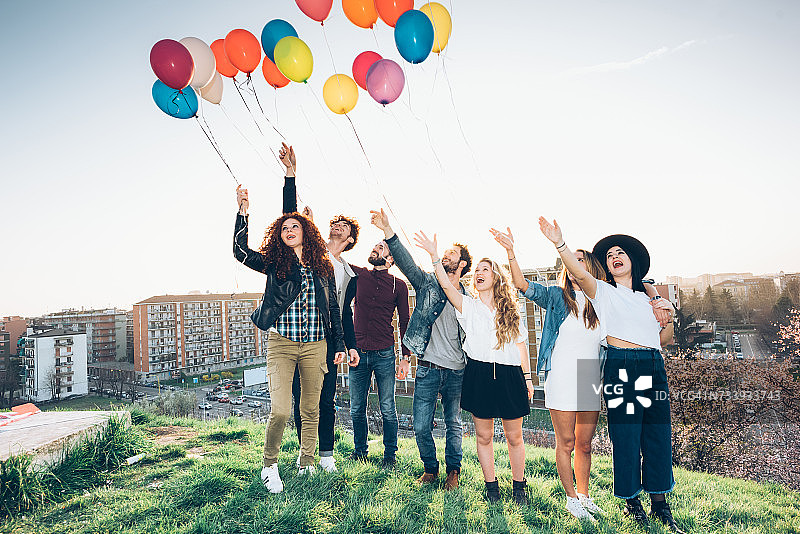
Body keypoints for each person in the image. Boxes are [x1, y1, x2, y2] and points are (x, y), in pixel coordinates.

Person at [492, 227, 672, 520]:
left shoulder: (602, 298)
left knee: (584, 443)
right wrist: (512, 252)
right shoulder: (557, 296)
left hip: (589, 374)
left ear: (590, 266)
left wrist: (656, 297)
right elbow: (521, 284)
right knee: (565, 442)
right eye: (569, 261)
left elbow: (644, 309)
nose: (572, 265)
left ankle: (585, 496)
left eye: (579, 260)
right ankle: (571, 498)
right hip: (562, 372)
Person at [538, 218, 683, 533]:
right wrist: (560, 243)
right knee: (628, 437)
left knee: (657, 437)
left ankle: (661, 504)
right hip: (623, 364)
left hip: (652, 364)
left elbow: (664, 339)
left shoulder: (650, 297)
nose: (615, 257)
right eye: (610, 255)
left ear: (632, 260)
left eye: (621, 252)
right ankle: (633, 503)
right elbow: (577, 272)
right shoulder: (601, 291)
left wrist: (667, 314)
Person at [232, 142, 346, 494]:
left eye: (296, 226)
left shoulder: (323, 264)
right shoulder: (276, 263)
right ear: (279, 237)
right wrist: (243, 213)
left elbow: (334, 310)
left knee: (311, 409)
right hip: (281, 344)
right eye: (284, 228)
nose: (289, 229)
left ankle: (307, 462)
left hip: (317, 345)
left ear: (306, 231)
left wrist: (339, 344)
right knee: (281, 410)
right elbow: (238, 251)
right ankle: (269, 465)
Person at [415, 230, 534, 505]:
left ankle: (519, 487)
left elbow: (521, 347)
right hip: (478, 374)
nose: (479, 273)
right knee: (484, 436)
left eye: (486, 269)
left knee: (515, 437)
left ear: (496, 278)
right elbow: (445, 285)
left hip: (509, 375)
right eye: (477, 269)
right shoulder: (467, 306)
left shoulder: (510, 311)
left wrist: (527, 379)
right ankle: (491, 487)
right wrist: (434, 256)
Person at [371, 209, 472, 491]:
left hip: (456, 372)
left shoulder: (468, 299)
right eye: (446, 253)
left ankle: (454, 470)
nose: (447, 255)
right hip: (427, 368)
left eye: (452, 253)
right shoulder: (428, 284)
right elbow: (405, 262)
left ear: (462, 263)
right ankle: (430, 468)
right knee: (420, 426)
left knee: (453, 424)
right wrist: (389, 231)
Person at [280, 149, 361, 475]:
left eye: (342, 226)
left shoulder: (349, 274)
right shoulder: (307, 251)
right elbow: (288, 220)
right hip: (299, 336)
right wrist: (291, 176)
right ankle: (305, 461)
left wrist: (350, 345)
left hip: (329, 344)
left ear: (350, 238)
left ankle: (326, 456)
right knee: (302, 401)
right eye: (333, 223)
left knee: (324, 401)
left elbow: (344, 315)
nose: (336, 226)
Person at [347, 236, 411, 469]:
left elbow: (405, 320)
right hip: (358, 354)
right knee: (356, 408)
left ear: (391, 258)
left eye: (380, 247)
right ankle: (360, 452)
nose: (374, 249)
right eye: (374, 246)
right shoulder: (359, 275)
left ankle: (389, 456)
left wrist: (405, 357)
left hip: (385, 354)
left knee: (387, 408)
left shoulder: (399, 285)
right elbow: (332, 258)